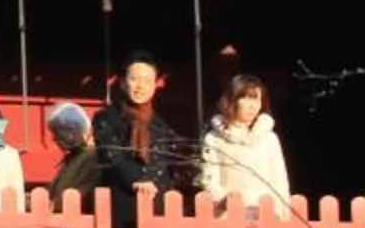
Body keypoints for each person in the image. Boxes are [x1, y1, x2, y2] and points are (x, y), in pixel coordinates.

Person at [95, 51, 194, 196]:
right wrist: (137, 180)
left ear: (155, 85)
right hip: (122, 197)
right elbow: (111, 155)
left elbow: (172, 161)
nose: (140, 86)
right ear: (122, 83)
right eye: (134, 79)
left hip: (158, 199)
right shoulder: (106, 118)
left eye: (147, 81)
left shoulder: (161, 125)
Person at [199, 73, 292, 211]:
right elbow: (209, 180)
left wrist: (281, 213)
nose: (252, 106)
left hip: (265, 214)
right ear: (232, 100)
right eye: (247, 98)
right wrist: (228, 205)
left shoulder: (269, 139)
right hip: (228, 214)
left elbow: (280, 181)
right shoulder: (214, 138)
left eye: (257, 100)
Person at [44, 103, 109, 210]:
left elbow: (84, 191)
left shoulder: (93, 157)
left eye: (59, 133)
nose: (54, 139)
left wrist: (53, 205)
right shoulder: (71, 159)